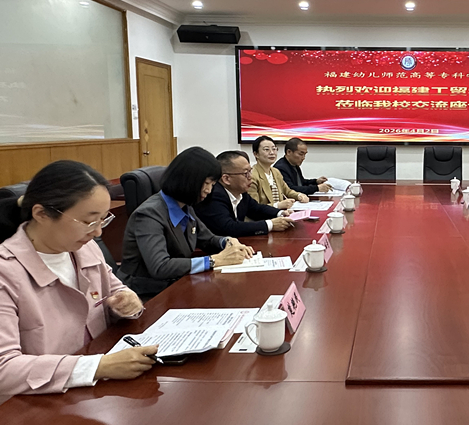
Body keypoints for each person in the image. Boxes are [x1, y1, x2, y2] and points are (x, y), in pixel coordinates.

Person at [0, 161, 157, 395]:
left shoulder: (85, 248)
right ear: (41, 214)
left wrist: (126, 301)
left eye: (103, 219)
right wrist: (97, 367)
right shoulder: (6, 272)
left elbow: (116, 290)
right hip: (41, 400)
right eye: (88, 221)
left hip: (95, 389)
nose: (98, 232)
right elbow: (4, 369)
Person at [117, 147, 253, 298]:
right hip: (145, 294)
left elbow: (208, 239)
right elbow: (160, 266)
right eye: (207, 183)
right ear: (189, 180)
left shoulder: (185, 206)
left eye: (212, 185)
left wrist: (227, 242)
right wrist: (214, 260)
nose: (209, 190)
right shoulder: (148, 214)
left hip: (178, 285)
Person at [195, 151, 295, 237]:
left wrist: (281, 213)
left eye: (250, 171)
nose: (250, 177)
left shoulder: (241, 192)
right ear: (226, 179)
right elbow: (228, 227)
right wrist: (270, 225)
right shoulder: (213, 195)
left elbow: (256, 209)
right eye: (245, 173)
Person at [249, 135, 310, 208]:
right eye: (266, 149)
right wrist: (278, 205)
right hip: (265, 215)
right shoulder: (252, 176)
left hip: (280, 213)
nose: (272, 152)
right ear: (256, 154)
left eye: (274, 149)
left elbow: (287, 191)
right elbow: (253, 207)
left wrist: (299, 195)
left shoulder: (275, 172)